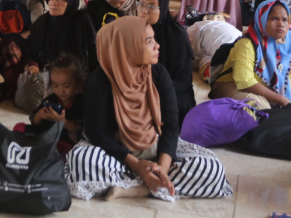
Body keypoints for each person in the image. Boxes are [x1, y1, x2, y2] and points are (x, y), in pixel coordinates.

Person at [65, 16, 232, 201]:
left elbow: (171, 125)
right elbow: (97, 133)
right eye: (149, 41)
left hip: (155, 146)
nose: (157, 46)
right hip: (115, 152)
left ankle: (138, 188)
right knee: (81, 162)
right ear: (127, 46)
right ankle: (150, 182)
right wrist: (136, 165)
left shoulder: (158, 74)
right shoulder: (100, 80)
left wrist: (163, 167)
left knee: (212, 169)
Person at [209, 0, 291, 109]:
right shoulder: (247, 43)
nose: (281, 24)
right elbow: (245, 82)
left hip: (267, 88)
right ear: (262, 19)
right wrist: (283, 101)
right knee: (259, 106)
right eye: (274, 19)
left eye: (285, 20)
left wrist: (287, 97)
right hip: (234, 85)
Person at [138, 0, 195, 125]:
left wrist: (154, 93)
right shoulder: (134, 30)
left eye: (151, 7)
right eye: (141, 4)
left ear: (162, 8)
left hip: (171, 90)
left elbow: (182, 80)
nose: (144, 11)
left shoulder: (177, 36)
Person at [25, 0, 98, 74]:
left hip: (75, 77)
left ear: (71, 1)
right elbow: (30, 50)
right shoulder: (42, 22)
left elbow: (91, 59)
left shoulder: (81, 22)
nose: (53, 2)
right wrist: (33, 65)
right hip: (43, 76)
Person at [27, 53, 85, 156]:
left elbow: (81, 131)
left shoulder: (80, 102)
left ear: (78, 83)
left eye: (66, 86)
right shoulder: (52, 99)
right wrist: (40, 114)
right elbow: (34, 122)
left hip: (68, 146)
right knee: (20, 128)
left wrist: (63, 121)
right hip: (47, 141)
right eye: (56, 86)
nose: (61, 91)